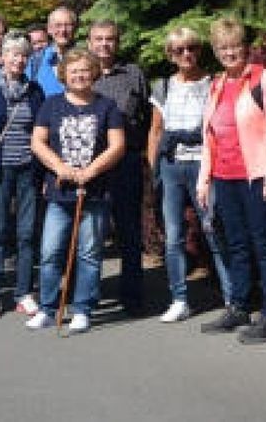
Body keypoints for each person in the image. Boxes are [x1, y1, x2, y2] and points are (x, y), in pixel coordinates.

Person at [197, 17, 266, 344]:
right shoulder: (217, 84)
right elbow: (209, 135)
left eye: (235, 46)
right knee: (235, 244)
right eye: (223, 47)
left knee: (263, 244)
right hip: (224, 175)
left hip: (257, 175)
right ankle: (239, 306)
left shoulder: (265, 79)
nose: (230, 52)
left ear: (245, 47)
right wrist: (204, 179)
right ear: (216, 50)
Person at [27, 49, 125, 333]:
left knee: (89, 253)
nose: (79, 75)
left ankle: (83, 309)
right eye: (73, 71)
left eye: (84, 70)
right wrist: (60, 168)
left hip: (94, 193)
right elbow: (38, 142)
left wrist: (89, 172)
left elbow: (116, 146)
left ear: (93, 72)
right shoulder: (51, 105)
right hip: (59, 192)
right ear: (64, 76)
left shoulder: (107, 106)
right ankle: (47, 307)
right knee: (49, 252)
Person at [147, 26, 231, 322]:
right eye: (179, 50)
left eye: (191, 48)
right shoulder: (163, 87)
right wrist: (154, 170)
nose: (187, 54)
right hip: (171, 167)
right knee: (173, 238)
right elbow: (156, 131)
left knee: (213, 230)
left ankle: (233, 298)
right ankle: (179, 298)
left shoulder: (214, 83)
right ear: (171, 55)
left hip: (203, 166)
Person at [0, 30, 45, 318]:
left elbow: (42, 131)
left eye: (24, 55)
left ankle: (24, 292)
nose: (19, 59)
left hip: (29, 170)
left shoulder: (35, 90)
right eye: (14, 54)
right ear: (2, 57)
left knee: (27, 233)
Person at [87, 19, 151, 316]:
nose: (104, 44)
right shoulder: (83, 75)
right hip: (94, 166)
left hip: (127, 164)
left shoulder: (134, 74)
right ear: (89, 42)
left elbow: (149, 119)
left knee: (129, 232)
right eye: (98, 39)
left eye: (109, 39)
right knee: (92, 234)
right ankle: (87, 295)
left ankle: (133, 295)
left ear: (118, 41)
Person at [27, 7, 78, 96]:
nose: (63, 30)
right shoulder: (34, 62)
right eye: (58, 25)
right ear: (49, 29)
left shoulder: (85, 60)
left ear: (75, 28)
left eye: (68, 25)